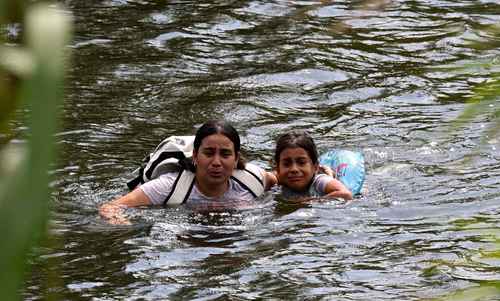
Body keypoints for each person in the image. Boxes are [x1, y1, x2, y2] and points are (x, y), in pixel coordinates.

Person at [99, 120, 277, 224]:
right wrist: (124, 224)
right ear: (195, 156)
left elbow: (283, 179)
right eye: (208, 153)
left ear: (236, 159)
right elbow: (110, 207)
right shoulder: (168, 187)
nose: (216, 162)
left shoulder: (254, 180)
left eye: (225, 154)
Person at [274, 130, 353, 202]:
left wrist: (306, 202)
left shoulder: (320, 181)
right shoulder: (279, 180)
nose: (294, 169)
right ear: (278, 168)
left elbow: (346, 194)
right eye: (286, 164)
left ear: (315, 167)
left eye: (301, 163)